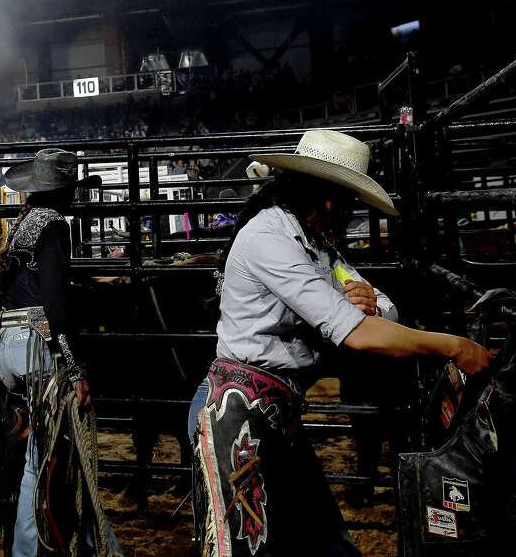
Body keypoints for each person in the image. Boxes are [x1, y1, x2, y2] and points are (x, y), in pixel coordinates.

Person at [191, 129, 490, 557]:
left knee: (325, 543)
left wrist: (371, 304)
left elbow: (380, 308)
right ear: (328, 198)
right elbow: (356, 333)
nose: (347, 214)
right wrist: (452, 346)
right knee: (258, 545)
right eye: (347, 202)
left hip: (270, 414)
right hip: (236, 417)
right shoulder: (270, 238)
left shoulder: (316, 244)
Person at [0, 149, 121, 557]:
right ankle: (34, 548)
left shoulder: (22, 226)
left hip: (5, 347)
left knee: (41, 451)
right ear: (63, 192)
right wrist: (76, 366)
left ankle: (88, 540)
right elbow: (54, 302)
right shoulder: (55, 226)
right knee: (45, 457)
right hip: (37, 348)